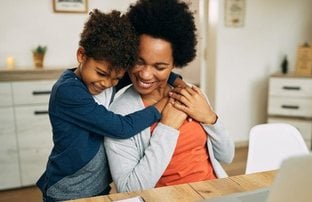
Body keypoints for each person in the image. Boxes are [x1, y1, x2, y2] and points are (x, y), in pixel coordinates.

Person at [37, 9, 184, 201]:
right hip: (68, 191)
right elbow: (121, 127)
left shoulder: (110, 75)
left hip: (99, 188)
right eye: (101, 73)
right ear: (82, 55)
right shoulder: (68, 92)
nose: (106, 83)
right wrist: (162, 105)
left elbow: (144, 74)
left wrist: (177, 82)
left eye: (116, 78)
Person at [104, 0, 235, 193]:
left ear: (175, 64)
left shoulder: (191, 94)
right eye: (138, 61)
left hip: (216, 194)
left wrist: (209, 118)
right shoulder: (119, 115)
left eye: (159, 67)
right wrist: (167, 127)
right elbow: (128, 188)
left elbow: (227, 156)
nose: (145, 74)